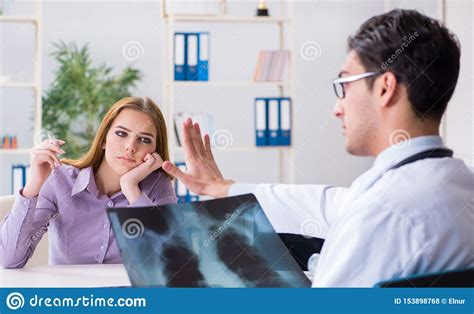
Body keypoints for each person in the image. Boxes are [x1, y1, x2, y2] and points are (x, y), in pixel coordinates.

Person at [161, 9, 474, 287]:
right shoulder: (456, 184)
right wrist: (226, 188)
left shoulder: (384, 211)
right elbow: (327, 203)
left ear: (384, 87)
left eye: (344, 85)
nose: (337, 109)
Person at [0, 97, 177, 268]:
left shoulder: (158, 187)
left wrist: (131, 188)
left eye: (144, 139)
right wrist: (34, 184)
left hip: (129, 298)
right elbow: (9, 260)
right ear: (103, 140)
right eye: (121, 134)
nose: (130, 146)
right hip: (70, 298)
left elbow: (171, 262)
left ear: (155, 152)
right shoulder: (59, 181)